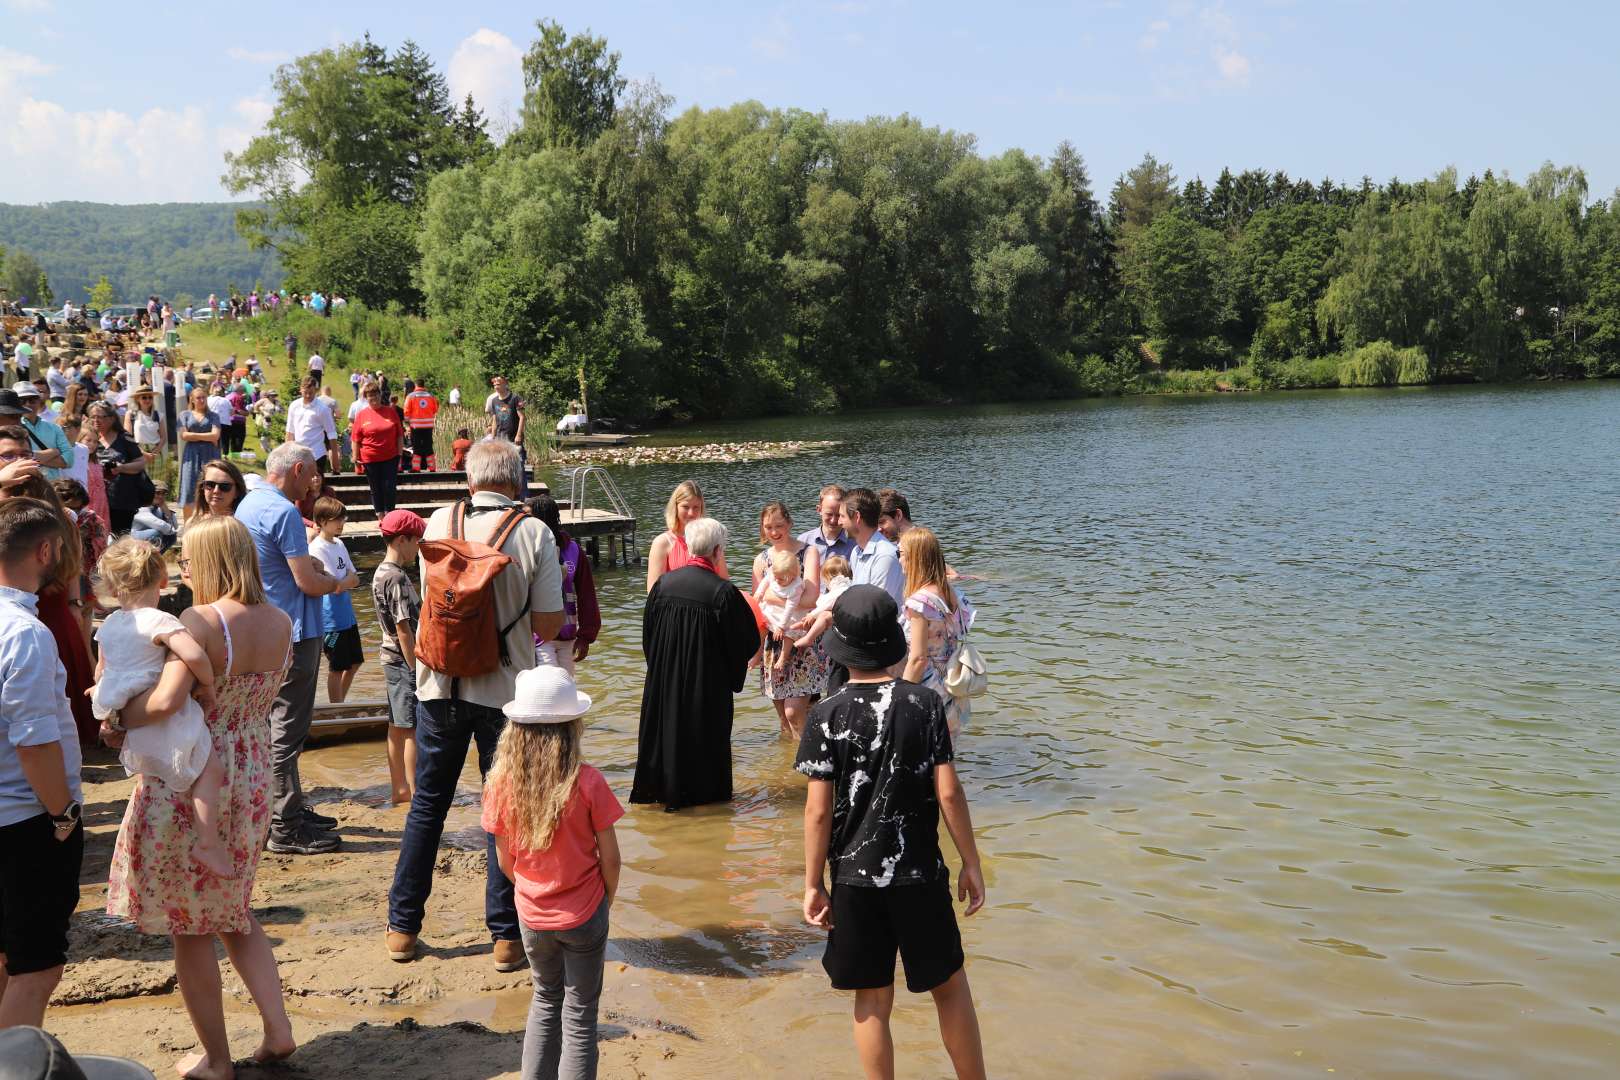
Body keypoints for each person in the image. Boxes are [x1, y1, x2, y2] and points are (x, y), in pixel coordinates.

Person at [104, 516, 298, 1078]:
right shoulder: (281, 620)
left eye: (189, 559)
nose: (183, 569)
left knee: (188, 926)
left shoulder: (199, 620)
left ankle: (217, 1059)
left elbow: (165, 704)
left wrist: (114, 715)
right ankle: (278, 1031)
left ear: (213, 560)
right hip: (255, 771)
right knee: (235, 909)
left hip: (195, 774)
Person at [796, 585, 987, 1080]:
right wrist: (971, 861)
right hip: (920, 873)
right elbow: (949, 793)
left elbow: (818, 813)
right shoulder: (924, 705)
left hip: (856, 881)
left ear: (840, 648)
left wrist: (813, 883)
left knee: (872, 999)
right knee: (949, 987)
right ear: (893, 643)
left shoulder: (824, 714)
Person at [386, 438, 564, 971]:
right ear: (516, 481)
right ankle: (506, 939)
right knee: (503, 812)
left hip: (437, 686)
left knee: (427, 807)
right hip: (505, 694)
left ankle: (402, 927)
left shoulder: (439, 522)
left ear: (470, 481)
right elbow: (550, 624)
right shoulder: (533, 533)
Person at [483, 666, 621, 1080]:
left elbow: (505, 862)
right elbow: (611, 859)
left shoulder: (502, 785)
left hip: (531, 915)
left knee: (545, 1001)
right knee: (580, 1016)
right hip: (584, 913)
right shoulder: (589, 782)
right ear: (573, 727)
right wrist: (604, 900)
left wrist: (530, 891)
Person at [90, 538, 231, 877]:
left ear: (110, 585)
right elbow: (194, 655)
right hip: (167, 717)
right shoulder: (162, 621)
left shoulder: (108, 625)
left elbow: (101, 671)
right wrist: (208, 685)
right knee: (209, 772)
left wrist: (106, 704)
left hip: (133, 720)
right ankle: (207, 842)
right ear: (162, 580)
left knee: (157, 784)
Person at [0, 498, 83, 1031]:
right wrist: (63, 816)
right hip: (24, 821)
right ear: (47, 550)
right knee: (36, 968)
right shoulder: (25, 633)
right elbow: (35, 742)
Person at [237, 443, 341, 856]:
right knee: (288, 729)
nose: (314, 482)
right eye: (311, 474)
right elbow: (307, 582)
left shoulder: (250, 504)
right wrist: (332, 581)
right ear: (297, 469)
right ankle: (285, 825)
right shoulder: (282, 511)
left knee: (278, 725)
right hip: (294, 632)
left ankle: (285, 808)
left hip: (268, 628)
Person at [631, 517, 759, 811]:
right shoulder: (723, 593)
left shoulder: (662, 585)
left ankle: (663, 797)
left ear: (688, 547)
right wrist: (729, 673)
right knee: (704, 746)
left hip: (664, 683)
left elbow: (648, 636)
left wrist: (661, 669)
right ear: (717, 551)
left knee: (665, 736)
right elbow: (747, 641)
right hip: (706, 684)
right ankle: (705, 807)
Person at [751, 501, 825, 738]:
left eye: (779, 525)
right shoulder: (761, 560)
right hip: (773, 640)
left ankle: (806, 765)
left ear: (790, 523)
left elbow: (812, 599)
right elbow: (757, 605)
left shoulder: (808, 551)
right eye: (768, 527)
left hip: (802, 637)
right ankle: (789, 769)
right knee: (784, 717)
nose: (774, 532)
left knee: (795, 713)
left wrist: (772, 598)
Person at [899, 528, 975, 739]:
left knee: (924, 764)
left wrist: (900, 697)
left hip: (927, 693)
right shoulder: (950, 592)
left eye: (902, 554)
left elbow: (918, 659)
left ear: (915, 558)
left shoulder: (918, 602)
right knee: (945, 762)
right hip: (953, 688)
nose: (899, 560)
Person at [373, 510, 424, 808]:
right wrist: (415, 668)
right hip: (402, 661)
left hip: (388, 659)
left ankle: (399, 789)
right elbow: (404, 629)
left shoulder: (380, 572)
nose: (418, 547)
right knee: (412, 729)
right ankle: (416, 793)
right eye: (416, 541)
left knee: (396, 725)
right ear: (402, 540)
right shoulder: (396, 577)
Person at [525, 494, 600, 675]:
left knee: (567, 687)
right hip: (538, 636)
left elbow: (587, 596)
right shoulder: (526, 549)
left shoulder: (573, 551)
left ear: (543, 519)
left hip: (568, 637)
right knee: (549, 684)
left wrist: (585, 636)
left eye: (528, 517)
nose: (524, 523)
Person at [754, 548, 816, 739]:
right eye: (776, 577)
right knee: (782, 715)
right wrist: (759, 594)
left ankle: (783, 656)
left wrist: (781, 626)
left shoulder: (796, 585)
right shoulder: (774, 573)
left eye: (782, 578)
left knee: (789, 631)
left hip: (788, 620)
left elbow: (791, 607)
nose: (777, 580)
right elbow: (764, 583)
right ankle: (755, 655)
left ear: (792, 575)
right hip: (772, 619)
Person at [308, 497, 363, 704]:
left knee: (355, 663)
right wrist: (346, 580)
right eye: (336, 519)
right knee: (337, 667)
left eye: (343, 518)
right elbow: (336, 586)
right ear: (322, 521)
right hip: (331, 620)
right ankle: (336, 708)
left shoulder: (339, 543)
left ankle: (339, 702)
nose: (342, 523)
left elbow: (354, 579)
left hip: (347, 616)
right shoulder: (317, 548)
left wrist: (346, 580)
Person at [645, 480, 726, 592]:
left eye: (696, 507)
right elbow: (653, 593)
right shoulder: (662, 543)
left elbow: (725, 582)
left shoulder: (712, 540)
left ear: (702, 508)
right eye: (686, 507)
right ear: (676, 507)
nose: (691, 513)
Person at [87, 401, 149, 535]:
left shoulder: (124, 438)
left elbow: (141, 462)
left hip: (122, 499)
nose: (96, 420)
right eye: (93, 417)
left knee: (119, 538)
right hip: (96, 500)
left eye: (100, 417)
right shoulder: (89, 438)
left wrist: (122, 468)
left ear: (111, 418)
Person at [350, 381, 407, 516]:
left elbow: (399, 434)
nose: (373, 399)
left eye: (375, 395)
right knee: (375, 488)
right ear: (366, 398)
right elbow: (355, 438)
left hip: (391, 457)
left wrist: (400, 454)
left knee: (390, 487)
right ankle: (380, 515)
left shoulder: (391, 412)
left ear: (380, 395)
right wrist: (355, 457)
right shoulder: (362, 415)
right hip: (370, 458)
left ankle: (390, 515)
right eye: (370, 396)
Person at [844, 487, 904, 605]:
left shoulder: (885, 556)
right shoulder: (856, 552)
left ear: (857, 517)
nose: (839, 522)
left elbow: (879, 608)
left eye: (842, 516)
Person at [178, 387, 221, 523]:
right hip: (191, 456)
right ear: (192, 399)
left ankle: (209, 524)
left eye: (204, 397)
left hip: (210, 454)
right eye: (198, 398)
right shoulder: (184, 415)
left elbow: (216, 435)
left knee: (210, 486)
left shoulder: (213, 415)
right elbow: (184, 435)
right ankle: (187, 526)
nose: (202, 400)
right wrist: (207, 437)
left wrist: (193, 435)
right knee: (189, 487)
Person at [14, 383, 73, 482]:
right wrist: (55, 451)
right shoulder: (12, 429)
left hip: (52, 487)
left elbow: (69, 460)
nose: (28, 404)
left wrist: (34, 457)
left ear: (39, 401)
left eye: (32, 399)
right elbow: (18, 459)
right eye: (22, 400)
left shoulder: (54, 428)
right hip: (25, 485)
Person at [284, 376, 338, 473]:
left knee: (316, 486)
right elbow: (290, 431)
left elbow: (331, 434)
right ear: (300, 390)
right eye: (305, 393)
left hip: (317, 454)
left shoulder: (323, 409)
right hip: (298, 455)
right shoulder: (294, 406)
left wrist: (335, 461)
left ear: (316, 391)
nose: (308, 396)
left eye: (311, 393)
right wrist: (287, 454)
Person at [800, 483, 855, 564]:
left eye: (838, 515)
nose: (833, 520)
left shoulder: (854, 545)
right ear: (819, 510)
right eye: (829, 514)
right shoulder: (803, 541)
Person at [402, 378, 439, 472]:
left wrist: (407, 423)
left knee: (416, 447)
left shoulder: (410, 396)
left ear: (415, 385)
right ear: (424, 385)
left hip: (416, 426)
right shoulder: (431, 396)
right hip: (428, 426)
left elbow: (406, 411)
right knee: (429, 446)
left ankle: (416, 467)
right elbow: (435, 409)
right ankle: (432, 467)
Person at [131, 482, 178, 551]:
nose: (161, 496)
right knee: (155, 533)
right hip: (132, 536)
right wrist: (173, 530)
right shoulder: (141, 506)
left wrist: (167, 511)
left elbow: (175, 526)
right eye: (158, 493)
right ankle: (142, 558)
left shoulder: (158, 507)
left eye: (163, 493)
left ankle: (155, 558)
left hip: (147, 536)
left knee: (171, 536)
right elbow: (159, 524)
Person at [124, 385, 165, 459]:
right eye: (144, 397)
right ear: (137, 399)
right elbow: (128, 438)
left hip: (155, 452)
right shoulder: (131, 414)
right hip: (137, 452)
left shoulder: (158, 415)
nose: (148, 400)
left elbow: (163, 437)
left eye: (150, 397)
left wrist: (156, 451)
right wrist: (143, 452)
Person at [485, 374, 525, 446]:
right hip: (499, 437)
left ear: (505, 384)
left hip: (513, 437)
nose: (496, 386)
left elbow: (522, 417)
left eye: (498, 384)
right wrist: (493, 437)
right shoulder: (494, 401)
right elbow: (494, 421)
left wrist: (518, 435)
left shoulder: (515, 398)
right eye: (494, 385)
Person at [252, 388, 281, 456]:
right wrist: (261, 412)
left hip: (276, 421)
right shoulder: (264, 400)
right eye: (272, 395)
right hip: (267, 420)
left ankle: (272, 449)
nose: (273, 397)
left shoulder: (277, 402)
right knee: (265, 434)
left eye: (274, 395)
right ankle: (265, 448)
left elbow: (282, 409)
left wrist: (281, 413)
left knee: (273, 436)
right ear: (269, 395)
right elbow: (255, 405)